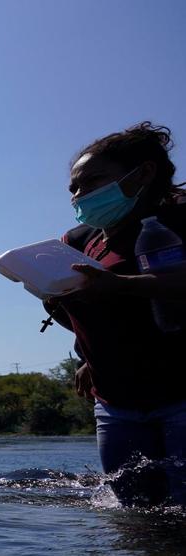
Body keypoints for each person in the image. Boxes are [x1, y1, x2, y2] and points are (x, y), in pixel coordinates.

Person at [45, 122, 186, 506]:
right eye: (74, 188)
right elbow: (92, 312)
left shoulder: (178, 223)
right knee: (134, 517)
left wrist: (120, 284)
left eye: (91, 181)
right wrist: (83, 350)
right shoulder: (80, 241)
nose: (79, 195)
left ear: (142, 173)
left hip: (179, 393)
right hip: (116, 402)